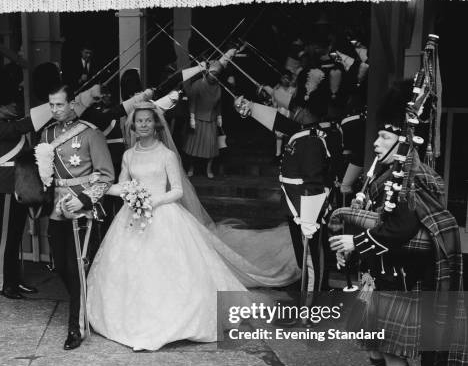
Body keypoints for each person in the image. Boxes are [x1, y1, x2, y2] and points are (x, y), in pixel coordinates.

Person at [329, 80, 465, 366]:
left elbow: (399, 230)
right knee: (373, 345)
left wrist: (355, 241)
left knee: (391, 351)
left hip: (400, 277)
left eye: (385, 139)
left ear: (404, 143)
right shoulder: (388, 176)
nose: (376, 143)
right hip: (379, 276)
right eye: (378, 138)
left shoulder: (411, 181)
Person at [86, 102, 246, 351]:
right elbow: (120, 185)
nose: (143, 125)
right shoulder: (129, 155)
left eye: (148, 120)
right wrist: (123, 192)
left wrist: (152, 200)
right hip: (133, 216)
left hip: (163, 214)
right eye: (139, 121)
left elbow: (178, 190)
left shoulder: (167, 155)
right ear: (133, 125)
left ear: (157, 124)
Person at [235, 68, 331, 295]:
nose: (294, 111)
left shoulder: (311, 140)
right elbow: (282, 123)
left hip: (306, 206)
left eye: (299, 108)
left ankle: (311, 305)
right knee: (303, 255)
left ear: (310, 112)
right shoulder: (303, 131)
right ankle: (308, 290)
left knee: (311, 259)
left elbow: (313, 183)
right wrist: (250, 109)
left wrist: (308, 216)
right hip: (295, 205)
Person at [36, 84, 114, 350]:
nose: (55, 110)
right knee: (59, 265)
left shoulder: (91, 134)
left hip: (82, 208)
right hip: (57, 209)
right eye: (52, 105)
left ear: (72, 104)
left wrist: (83, 199)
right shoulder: (47, 134)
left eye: (60, 104)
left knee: (76, 267)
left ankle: (75, 327)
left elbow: (106, 176)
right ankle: (87, 306)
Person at [0, 74, 38, 300]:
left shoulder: (10, 125)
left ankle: (15, 280)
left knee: (16, 236)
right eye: (9, 103)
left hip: (20, 185)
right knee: (8, 237)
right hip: (7, 186)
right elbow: (26, 125)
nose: (14, 105)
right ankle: (3, 282)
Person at [184, 61, 224, 179]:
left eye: (216, 74)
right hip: (198, 119)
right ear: (207, 72)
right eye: (212, 73)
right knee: (193, 146)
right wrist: (192, 117)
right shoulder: (197, 84)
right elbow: (192, 102)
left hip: (211, 119)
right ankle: (191, 168)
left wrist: (219, 116)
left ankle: (209, 169)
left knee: (211, 147)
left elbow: (219, 104)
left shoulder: (218, 87)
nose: (214, 76)